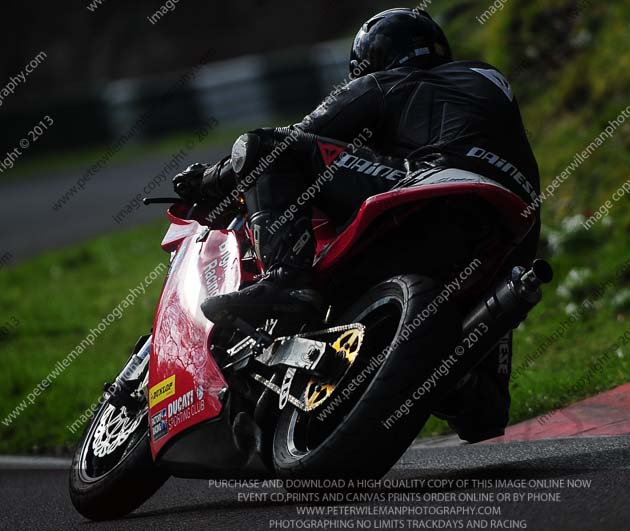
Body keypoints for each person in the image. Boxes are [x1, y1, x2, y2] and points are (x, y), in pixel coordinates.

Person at [173, 7, 541, 442]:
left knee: (265, 146)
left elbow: (303, 133)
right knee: (485, 413)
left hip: (432, 186)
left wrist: (214, 177)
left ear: (368, 63)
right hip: (510, 227)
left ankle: (287, 279)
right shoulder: (488, 78)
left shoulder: (380, 84)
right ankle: (451, 376)